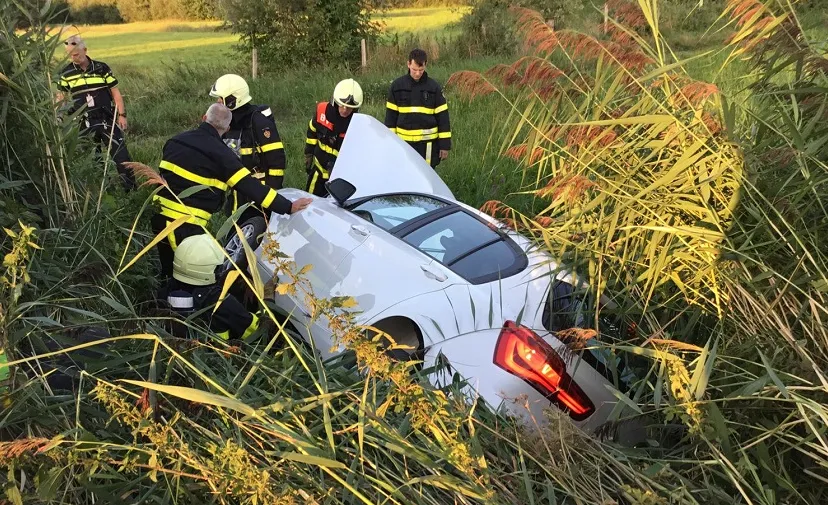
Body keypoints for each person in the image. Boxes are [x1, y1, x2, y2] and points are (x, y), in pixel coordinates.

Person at [150, 102, 312, 282]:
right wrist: (288, 206)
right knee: (188, 275)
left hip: (157, 215)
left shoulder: (175, 140)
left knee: (168, 269)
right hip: (185, 224)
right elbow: (252, 187)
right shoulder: (223, 155)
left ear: (204, 118)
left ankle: (163, 293)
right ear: (227, 129)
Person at [56, 34, 136, 191]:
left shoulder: (101, 68)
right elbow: (61, 97)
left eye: (76, 54)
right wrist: (58, 117)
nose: (73, 58)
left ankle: (131, 191)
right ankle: (101, 191)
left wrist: (122, 115)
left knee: (121, 155)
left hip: (107, 118)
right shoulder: (65, 73)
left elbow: (115, 93)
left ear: (85, 50)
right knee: (92, 159)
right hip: (84, 122)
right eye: (70, 55)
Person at [209, 74, 287, 221]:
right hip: (238, 189)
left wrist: (272, 194)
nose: (218, 102)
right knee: (236, 225)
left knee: (259, 227)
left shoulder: (258, 122)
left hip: (259, 190)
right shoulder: (228, 122)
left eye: (221, 98)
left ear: (233, 100)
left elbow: (276, 161)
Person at [166, 234, 261, 342]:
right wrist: (267, 299)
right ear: (214, 270)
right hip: (215, 351)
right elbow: (258, 331)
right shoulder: (222, 303)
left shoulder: (166, 290)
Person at [384, 48, 452, 169]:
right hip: (404, 145)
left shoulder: (433, 88)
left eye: (421, 70)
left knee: (426, 176)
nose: (417, 73)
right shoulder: (397, 87)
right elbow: (390, 119)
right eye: (414, 69)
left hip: (428, 147)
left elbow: (443, 118)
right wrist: (391, 143)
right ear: (408, 64)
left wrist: (444, 145)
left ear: (426, 65)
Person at [304, 79, 363, 197]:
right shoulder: (321, 111)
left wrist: (336, 166)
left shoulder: (356, 125)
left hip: (339, 179)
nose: (345, 110)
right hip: (318, 172)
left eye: (349, 108)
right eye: (342, 105)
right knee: (310, 201)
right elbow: (312, 131)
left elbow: (355, 154)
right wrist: (308, 152)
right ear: (334, 101)